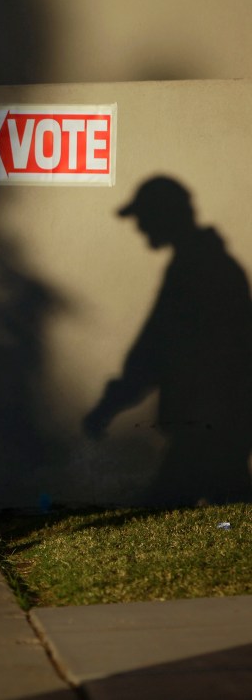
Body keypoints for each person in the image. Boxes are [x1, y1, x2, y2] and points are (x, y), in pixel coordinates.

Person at [83, 176, 252, 504]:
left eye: (145, 217)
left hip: (211, 417)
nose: (141, 227)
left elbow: (158, 346)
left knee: (173, 499)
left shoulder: (196, 268)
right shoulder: (206, 263)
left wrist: (112, 402)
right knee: (225, 496)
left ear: (164, 215)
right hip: (219, 416)